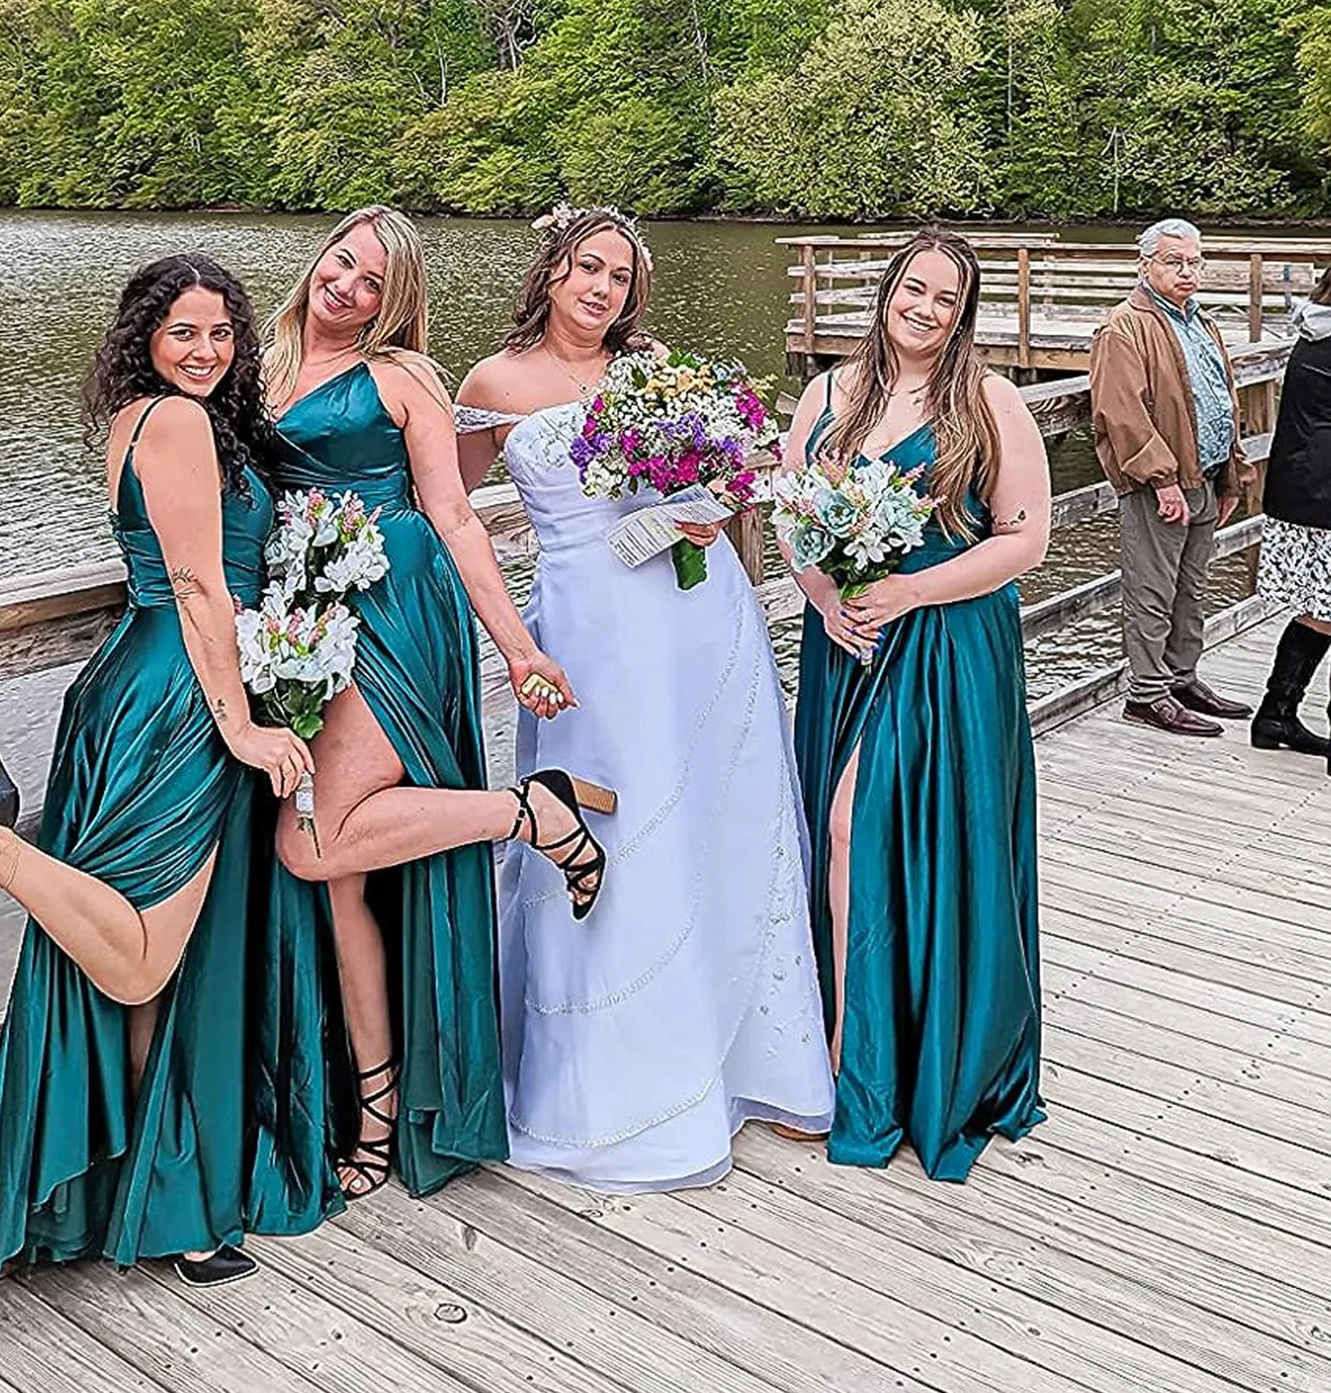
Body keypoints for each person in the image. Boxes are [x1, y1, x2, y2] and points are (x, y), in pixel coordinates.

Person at [0, 255, 335, 1285]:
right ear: (143, 338)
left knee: (163, 971)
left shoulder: (138, 419)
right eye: (182, 332)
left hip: (138, 678)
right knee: (145, 959)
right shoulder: (181, 423)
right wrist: (239, 725)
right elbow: (199, 583)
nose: (205, 350)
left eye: (221, 333)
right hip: (179, 699)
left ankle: (161, 1202)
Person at [454, 206, 834, 1193]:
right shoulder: (492, 384)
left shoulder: (650, 365)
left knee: (717, 816)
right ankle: (617, 1092)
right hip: (585, 636)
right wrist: (504, 637)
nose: (601, 289)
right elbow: (444, 516)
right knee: (612, 833)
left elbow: (728, 473)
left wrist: (711, 504)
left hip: (696, 623)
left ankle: (746, 1066)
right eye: (587, 267)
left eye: (619, 277)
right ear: (551, 269)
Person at [263, 206, 613, 1202]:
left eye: (373, 281)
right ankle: (373, 1109)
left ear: (394, 302)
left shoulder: (403, 377)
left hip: (391, 602)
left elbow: (452, 511)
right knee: (335, 882)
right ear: (317, 260)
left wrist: (516, 645)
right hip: (299, 617)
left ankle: (528, 811)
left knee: (314, 841)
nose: (347, 286)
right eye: (342, 263)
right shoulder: (264, 360)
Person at [782, 226, 1050, 1182]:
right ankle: (846, 1041)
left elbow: (1024, 540)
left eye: (946, 297)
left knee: (868, 824)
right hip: (844, 639)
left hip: (943, 639)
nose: (925, 308)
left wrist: (906, 592)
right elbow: (790, 519)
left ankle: (867, 1069)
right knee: (840, 826)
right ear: (888, 289)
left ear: (963, 313)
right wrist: (825, 595)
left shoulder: (987, 400)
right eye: (914, 288)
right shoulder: (825, 393)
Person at [1088, 218, 1255, 736]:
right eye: (1173, 262)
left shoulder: (1200, 321)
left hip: (1203, 475)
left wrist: (1230, 475)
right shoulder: (1124, 326)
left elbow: (1221, 399)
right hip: (1160, 484)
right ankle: (1146, 694)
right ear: (1145, 266)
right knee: (1152, 592)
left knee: (1192, 589)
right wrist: (1161, 480)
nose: (1187, 272)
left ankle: (1182, 679)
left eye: (1194, 262)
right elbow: (1121, 412)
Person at [1253, 264, 1331, 762]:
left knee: (1322, 612)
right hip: (1322, 495)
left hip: (1306, 489)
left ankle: (1276, 713)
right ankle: (1277, 713)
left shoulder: (1314, 330)